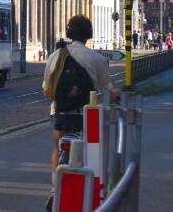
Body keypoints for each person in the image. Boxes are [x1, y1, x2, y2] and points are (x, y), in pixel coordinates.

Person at [42, 15, 119, 210]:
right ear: (89, 35)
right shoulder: (97, 58)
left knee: (57, 147)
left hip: (60, 114)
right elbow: (108, 88)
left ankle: (54, 188)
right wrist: (118, 95)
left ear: (69, 33)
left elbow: (46, 90)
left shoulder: (54, 56)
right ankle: (88, 191)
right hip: (86, 116)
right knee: (88, 152)